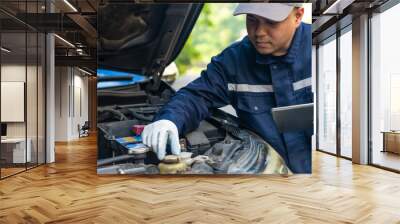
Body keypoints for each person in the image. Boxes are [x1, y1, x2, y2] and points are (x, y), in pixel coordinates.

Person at [142, 3, 313, 173]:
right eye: (252, 19)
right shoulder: (233, 61)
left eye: (271, 22)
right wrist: (169, 120)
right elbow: (196, 96)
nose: (259, 32)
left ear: (297, 16)